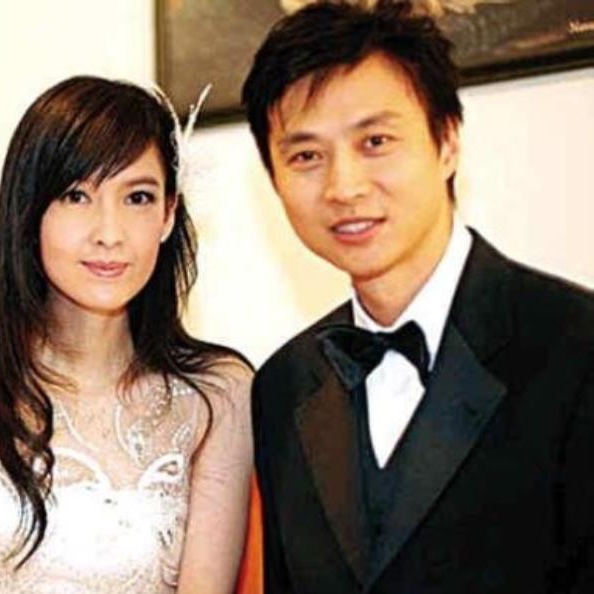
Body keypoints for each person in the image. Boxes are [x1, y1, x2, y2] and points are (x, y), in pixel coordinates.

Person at [241, 1, 594, 593]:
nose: (344, 186)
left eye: (375, 141)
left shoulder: (576, 346)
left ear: (448, 140)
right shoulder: (281, 386)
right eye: (306, 156)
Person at [0, 76, 252, 593]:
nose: (109, 233)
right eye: (76, 195)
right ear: (29, 210)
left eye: (138, 197)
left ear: (168, 214)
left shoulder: (219, 392)